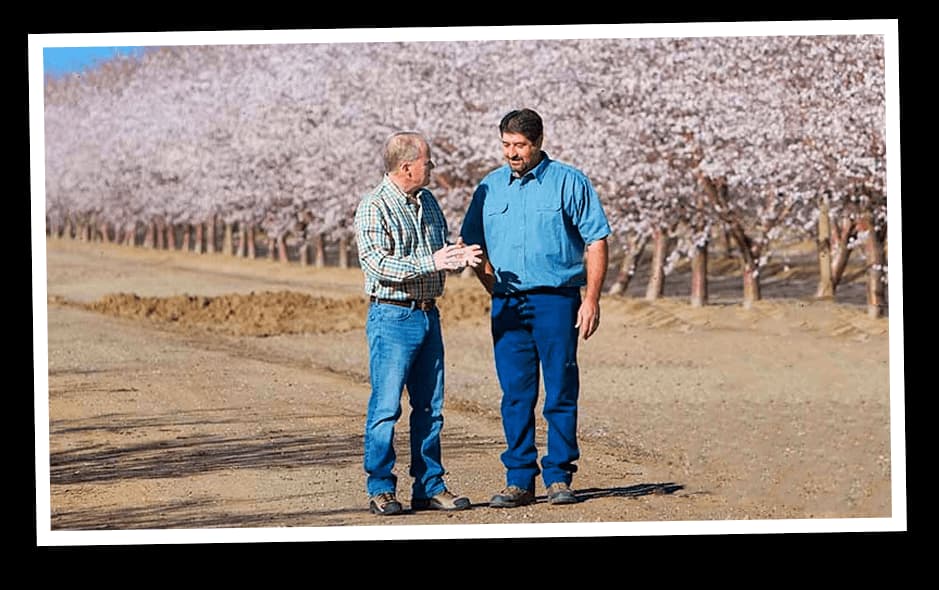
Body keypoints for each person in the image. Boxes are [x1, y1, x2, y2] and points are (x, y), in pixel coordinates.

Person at [460, 108, 611, 508]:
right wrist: (490, 283)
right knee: (515, 394)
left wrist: (592, 298)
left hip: (556, 301)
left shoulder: (569, 182)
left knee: (560, 390)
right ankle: (519, 480)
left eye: (520, 146)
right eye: (506, 145)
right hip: (507, 305)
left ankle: (559, 476)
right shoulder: (488, 188)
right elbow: (472, 247)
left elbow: (596, 239)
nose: (512, 153)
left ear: (538, 142)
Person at [353, 131, 483, 516]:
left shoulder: (428, 202)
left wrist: (456, 255)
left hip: (429, 314)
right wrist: (432, 262)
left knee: (431, 407)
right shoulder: (373, 207)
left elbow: (434, 251)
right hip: (392, 316)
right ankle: (381, 487)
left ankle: (429, 486)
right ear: (407, 166)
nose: (433, 168)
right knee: (386, 407)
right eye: (428, 161)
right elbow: (377, 264)